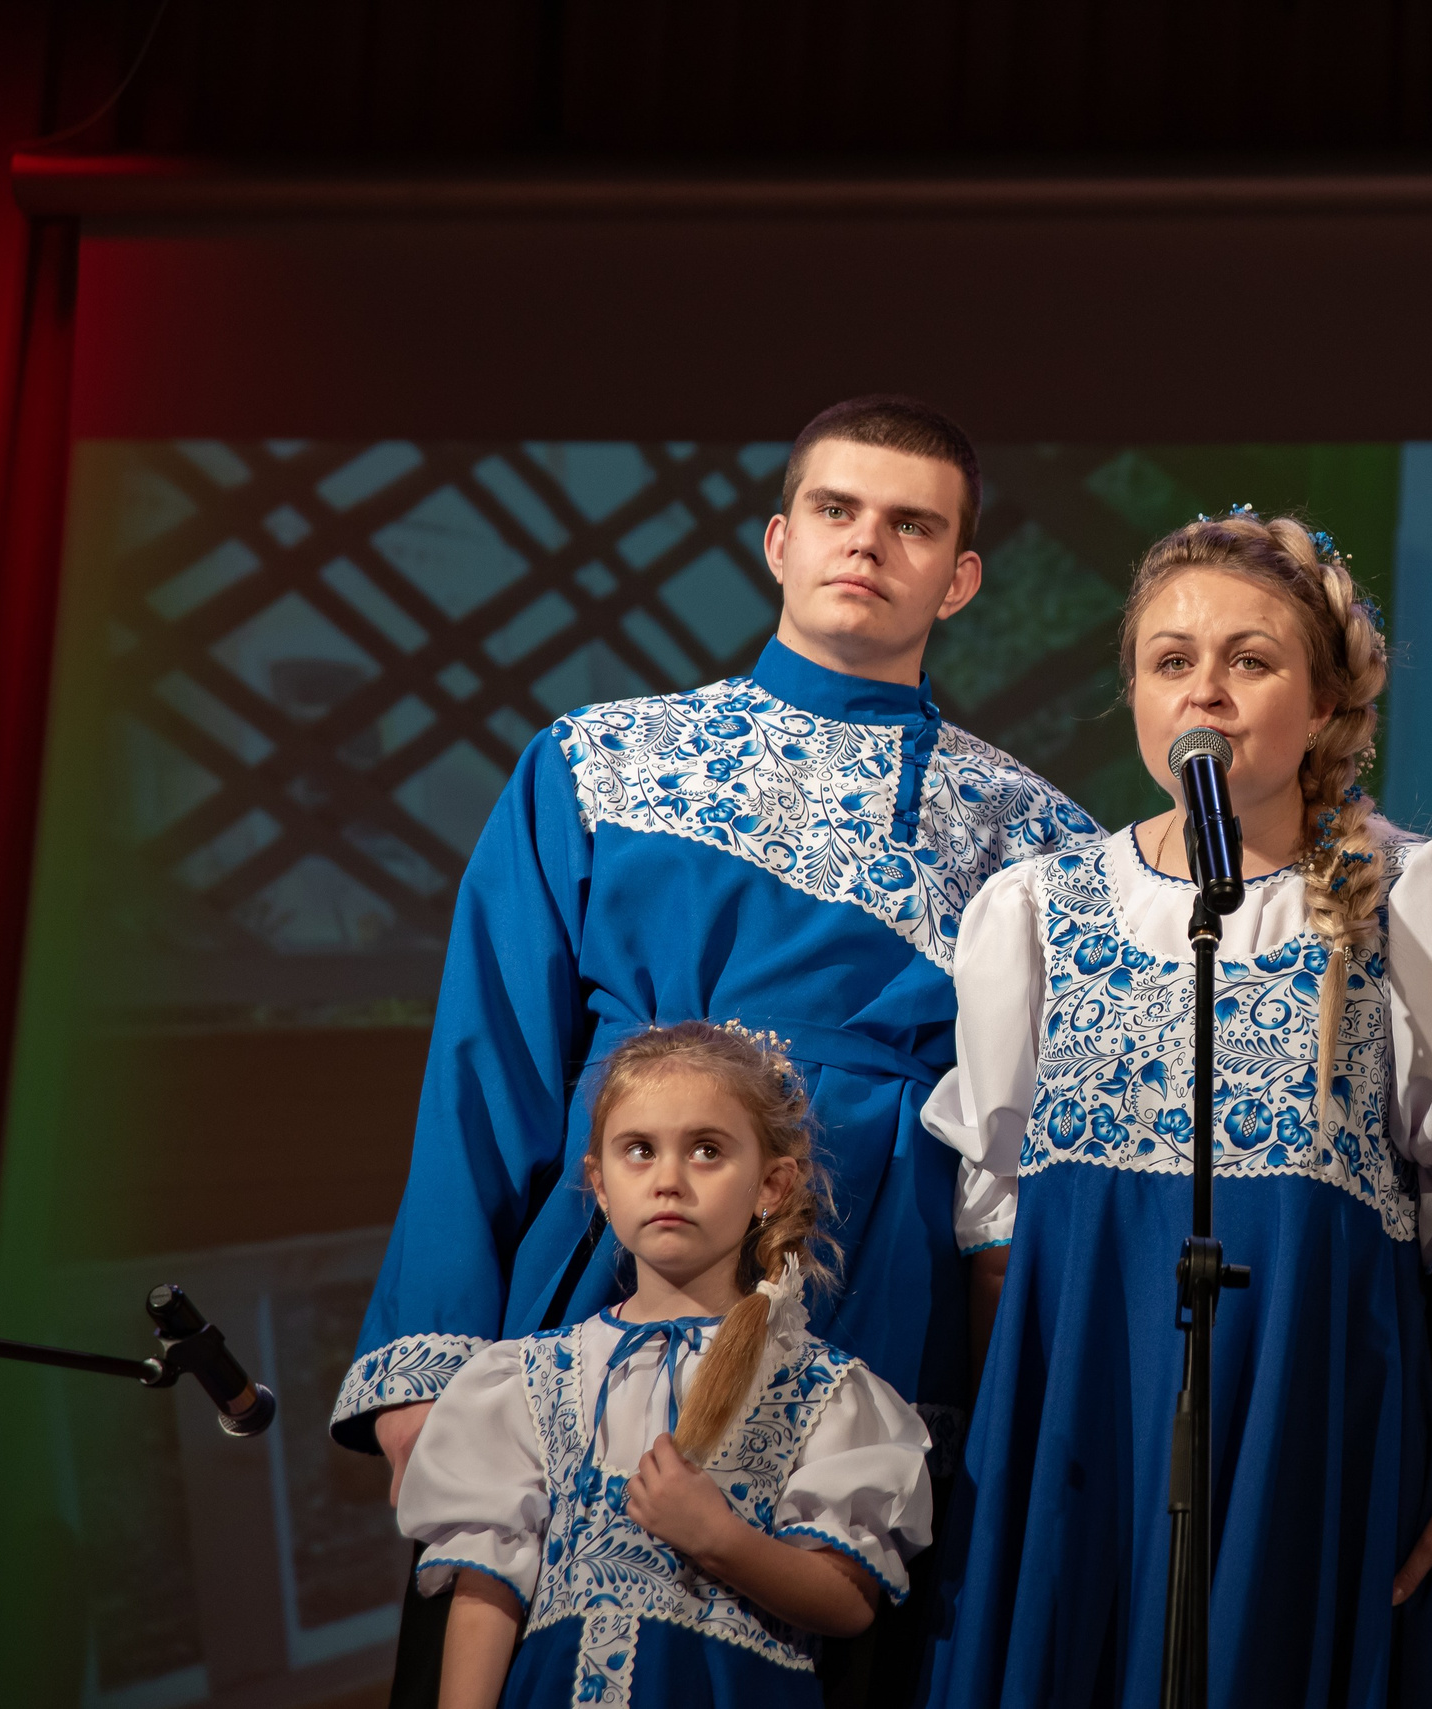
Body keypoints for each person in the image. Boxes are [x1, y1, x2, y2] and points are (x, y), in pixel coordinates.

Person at [332, 397, 1098, 1697]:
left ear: (960, 577)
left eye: (913, 525)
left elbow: (1033, 1155)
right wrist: (434, 1359)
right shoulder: (596, 760)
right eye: (838, 512)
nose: (869, 544)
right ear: (778, 540)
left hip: (874, 1294)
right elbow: (488, 1068)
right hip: (606, 1266)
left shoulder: (1036, 837)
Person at [921, 508, 1432, 1707]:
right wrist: (1009, 1468)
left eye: (1249, 659)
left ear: (1322, 703)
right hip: (1079, 1427)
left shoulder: (1421, 895)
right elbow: (1000, 1239)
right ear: (1137, 693)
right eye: (1171, 661)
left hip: (1305, 1414)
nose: (1204, 689)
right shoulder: (1035, 910)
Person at [401, 1021, 932, 1708]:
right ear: (599, 1181)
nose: (669, 1180)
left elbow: (847, 1599)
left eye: (707, 1150)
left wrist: (720, 1539)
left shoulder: (824, 1390)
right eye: (640, 1150)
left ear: (771, 1184)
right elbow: (487, 1589)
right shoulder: (525, 1380)